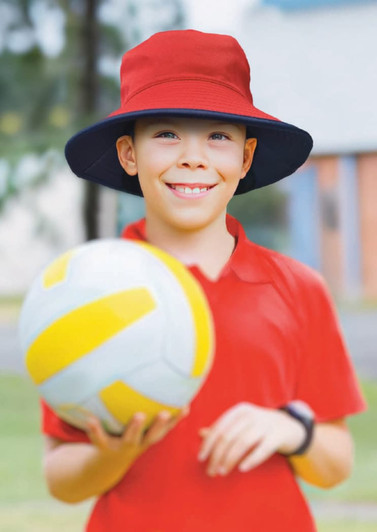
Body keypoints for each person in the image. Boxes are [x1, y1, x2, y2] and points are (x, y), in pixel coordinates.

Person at [41, 30, 366, 531]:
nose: (193, 157)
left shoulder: (299, 287)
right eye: (166, 134)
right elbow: (61, 477)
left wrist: (289, 430)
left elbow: (336, 461)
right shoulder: (84, 290)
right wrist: (115, 454)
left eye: (218, 136)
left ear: (246, 156)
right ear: (129, 154)